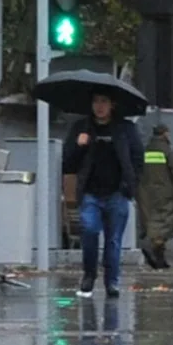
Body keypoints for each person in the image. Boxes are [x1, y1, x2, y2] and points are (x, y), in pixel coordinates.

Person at [62, 91, 144, 299]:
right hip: (90, 194)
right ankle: (89, 274)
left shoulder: (125, 129)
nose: (99, 106)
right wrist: (79, 146)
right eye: (96, 101)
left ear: (112, 105)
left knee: (113, 240)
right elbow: (68, 163)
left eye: (104, 102)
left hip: (117, 193)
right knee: (89, 231)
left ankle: (112, 282)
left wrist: (130, 186)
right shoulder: (81, 128)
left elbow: (137, 159)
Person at [137, 124, 173, 270]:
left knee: (151, 222)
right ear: (165, 134)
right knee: (164, 225)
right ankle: (151, 248)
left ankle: (160, 260)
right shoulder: (168, 152)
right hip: (166, 194)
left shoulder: (145, 151)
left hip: (146, 193)